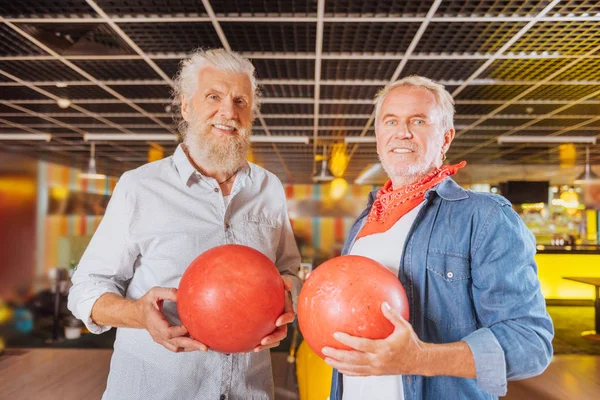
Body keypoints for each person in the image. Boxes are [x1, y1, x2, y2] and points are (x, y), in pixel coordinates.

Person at [68, 48, 302, 400]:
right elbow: (86, 290)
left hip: (248, 390)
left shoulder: (269, 189)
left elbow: (289, 271)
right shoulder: (140, 186)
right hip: (156, 390)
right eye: (214, 97)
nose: (229, 112)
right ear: (186, 107)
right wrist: (137, 314)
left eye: (241, 101)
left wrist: (286, 300)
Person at [326, 76, 553, 399]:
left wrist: (420, 359)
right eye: (391, 121)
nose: (402, 132)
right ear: (378, 136)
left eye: (418, 121)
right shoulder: (364, 221)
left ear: (446, 138)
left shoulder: (484, 217)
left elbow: (530, 343)